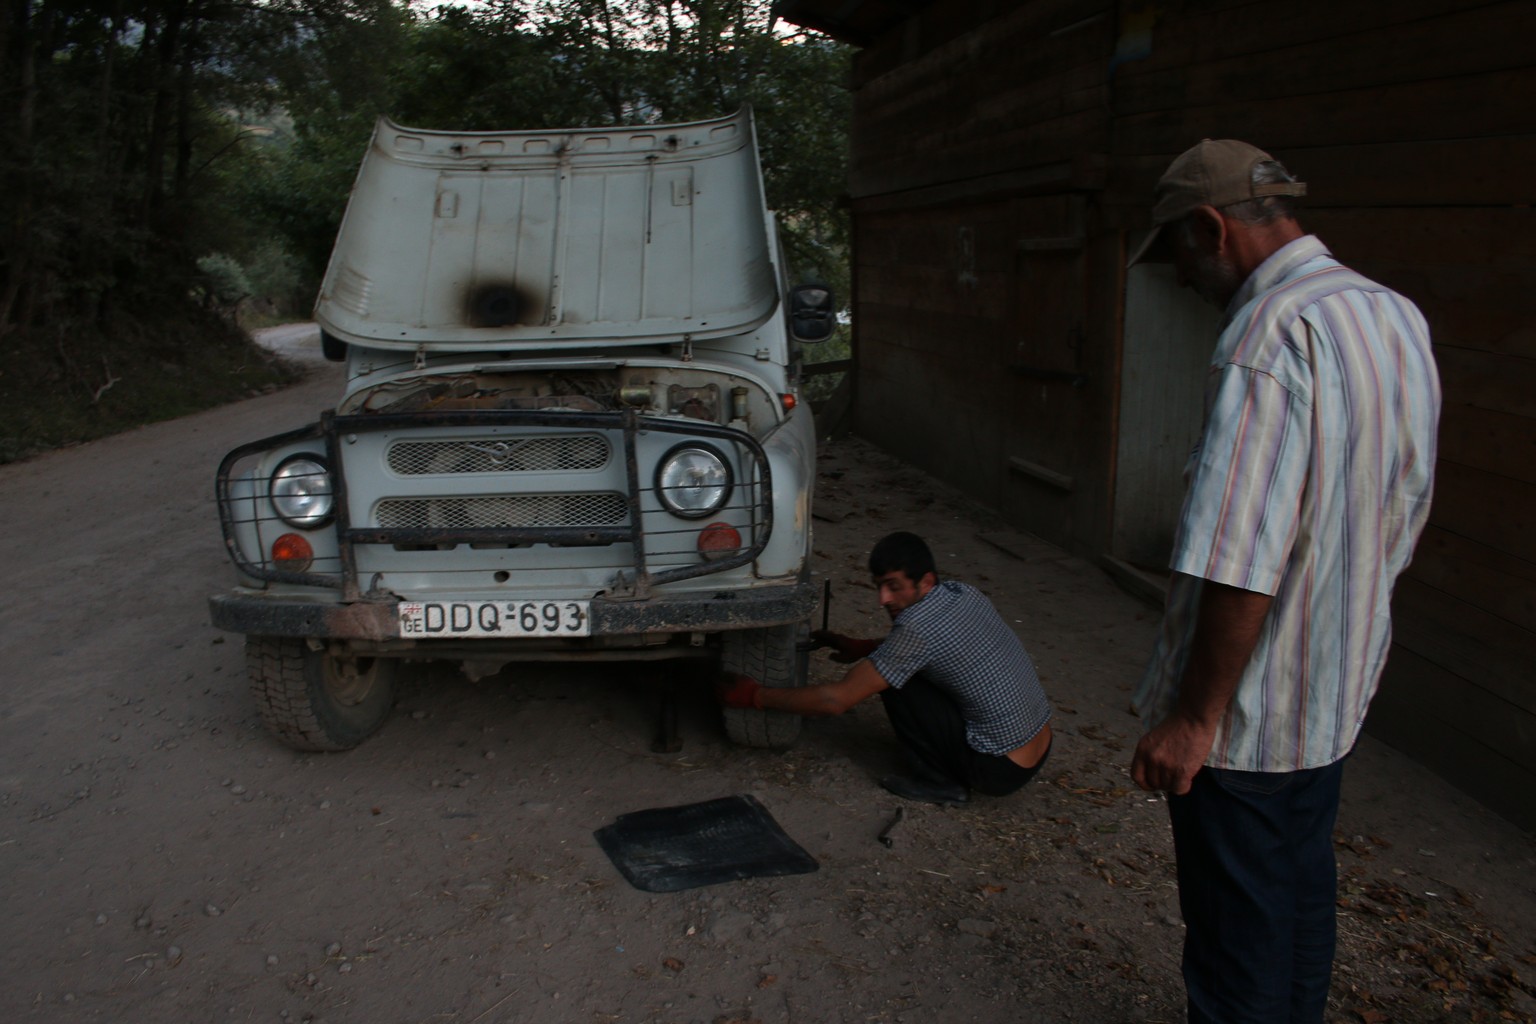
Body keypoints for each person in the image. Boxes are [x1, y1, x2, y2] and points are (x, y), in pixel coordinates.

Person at [1127, 139, 1441, 1023]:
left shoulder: (1266, 337)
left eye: (1181, 259)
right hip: (1334, 692)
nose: (1183, 281)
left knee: (1237, 951)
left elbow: (1240, 559)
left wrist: (1193, 720)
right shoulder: (1392, 315)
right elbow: (1402, 505)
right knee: (1299, 910)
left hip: (1250, 722)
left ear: (1209, 228)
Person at [719, 531, 1053, 806]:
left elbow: (836, 701)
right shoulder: (964, 593)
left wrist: (755, 695)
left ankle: (941, 784)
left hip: (997, 770)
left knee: (895, 681)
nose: (882, 599)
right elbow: (942, 647)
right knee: (898, 668)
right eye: (879, 585)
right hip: (1039, 745)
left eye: (893, 586)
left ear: (925, 582)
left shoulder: (917, 630)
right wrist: (860, 646)